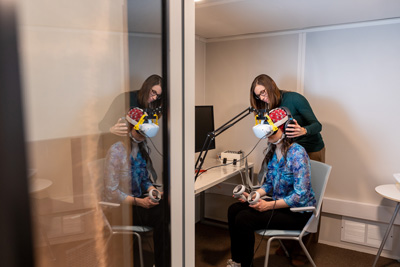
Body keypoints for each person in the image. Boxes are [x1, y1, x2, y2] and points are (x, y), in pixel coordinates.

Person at [226, 107, 316, 267]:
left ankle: (246, 265)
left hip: (298, 213)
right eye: (266, 133)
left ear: (285, 129)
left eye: (271, 133)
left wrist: (268, 205)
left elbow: (300, 195)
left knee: (244, 218)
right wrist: (254, 196)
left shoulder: (297, 153)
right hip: (280, 204)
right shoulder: (274, 151)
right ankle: (237, 261)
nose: (268, 137)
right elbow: (268, 184)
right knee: (234, 209)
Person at [104, 107, 166, 267]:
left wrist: (152, 190)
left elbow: (145, 179)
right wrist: (140, 202)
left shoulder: (140, 149)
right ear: (130, 129)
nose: (143, 137)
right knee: (161, 215)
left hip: (139, 201)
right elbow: (111, 192)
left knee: (167, 208)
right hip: (122, 207)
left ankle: (163, 261)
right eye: (140, 133)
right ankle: (162, 262)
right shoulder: (116, 151)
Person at [250, 74, 325, 163]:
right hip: (291, 151)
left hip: (311, 150)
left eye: (263, 92)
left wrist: (304, 130)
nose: (261, 98)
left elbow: (317, 125)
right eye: (258, 96)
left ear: (271, 86)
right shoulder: (271, 107)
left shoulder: (295, 99)